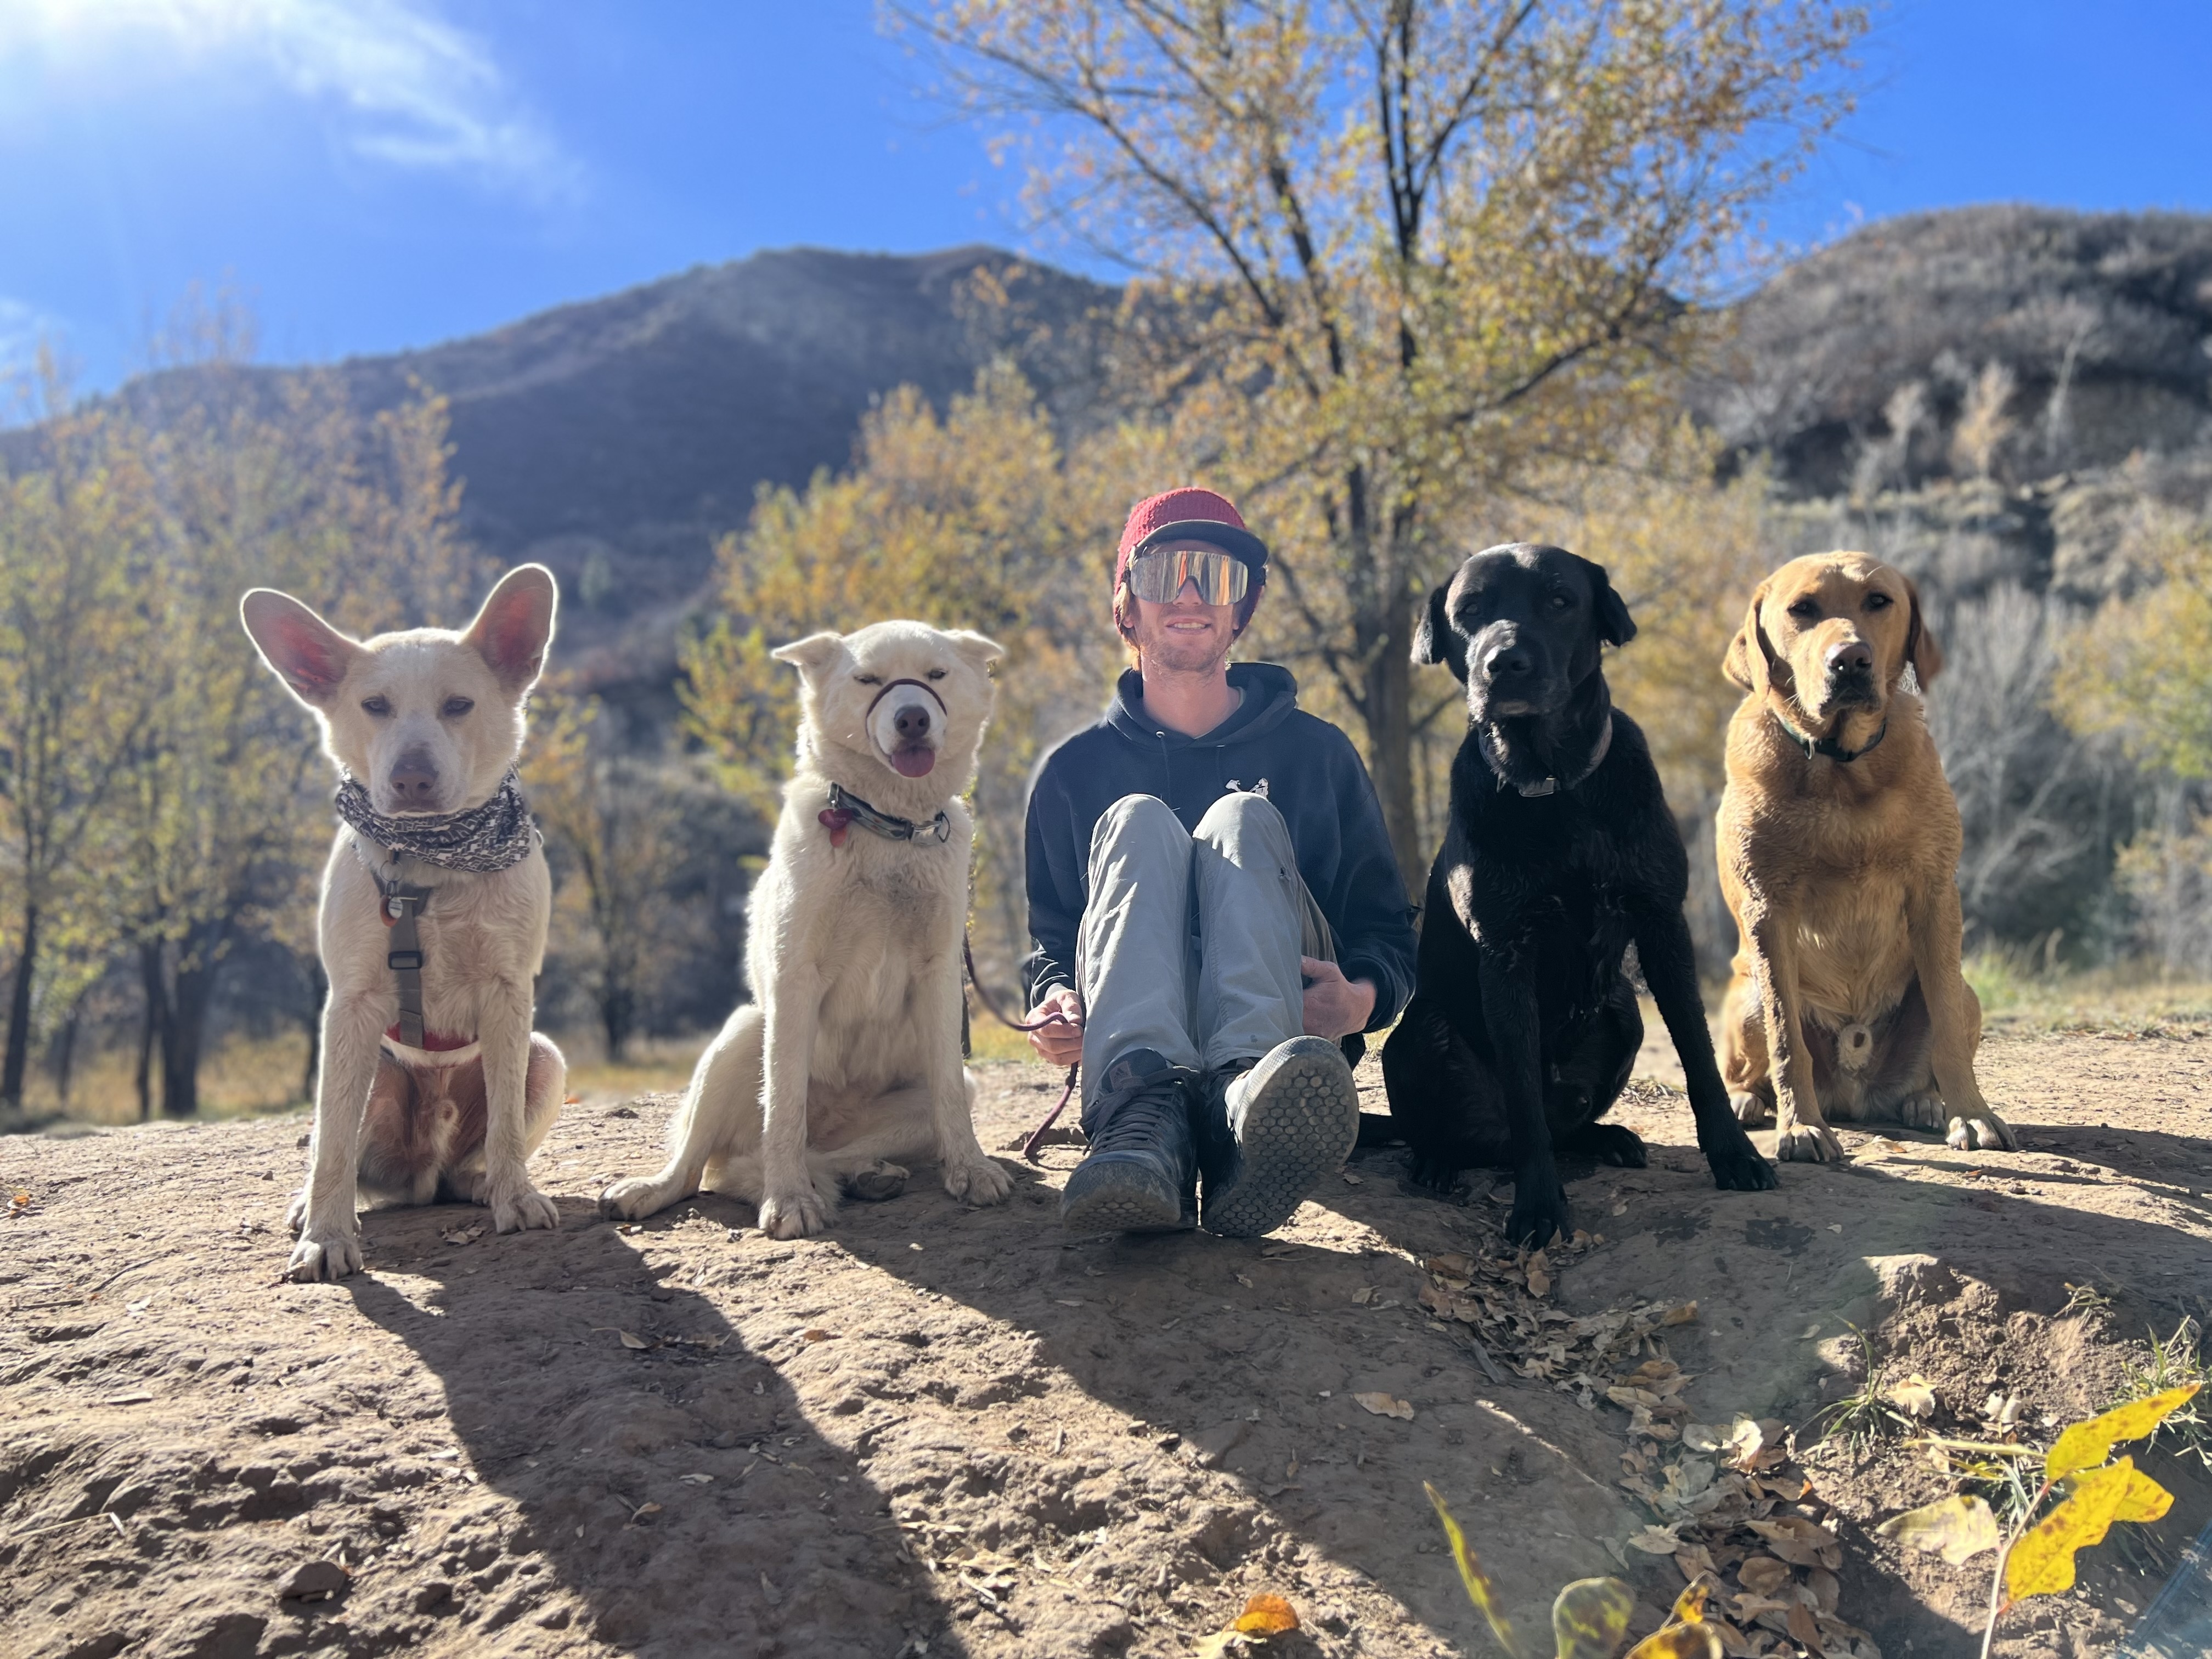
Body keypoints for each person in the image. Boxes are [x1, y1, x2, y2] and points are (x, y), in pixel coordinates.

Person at [1022, 487, 1418, 1237]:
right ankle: (1145, 1120)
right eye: (1164, 573)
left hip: (1281, 1039)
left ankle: (1249, 1113)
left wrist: (1361, 1001)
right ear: (1126, 608)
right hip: (1132, 1045)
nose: (1191, 595)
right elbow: (1053, 942)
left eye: (1216, 576)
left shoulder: (1318, 755)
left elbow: (1387, 930)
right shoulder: (1073, 773)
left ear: (1243, 609)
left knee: (1241, 819)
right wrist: (1055, 1003)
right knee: (1137, 820)